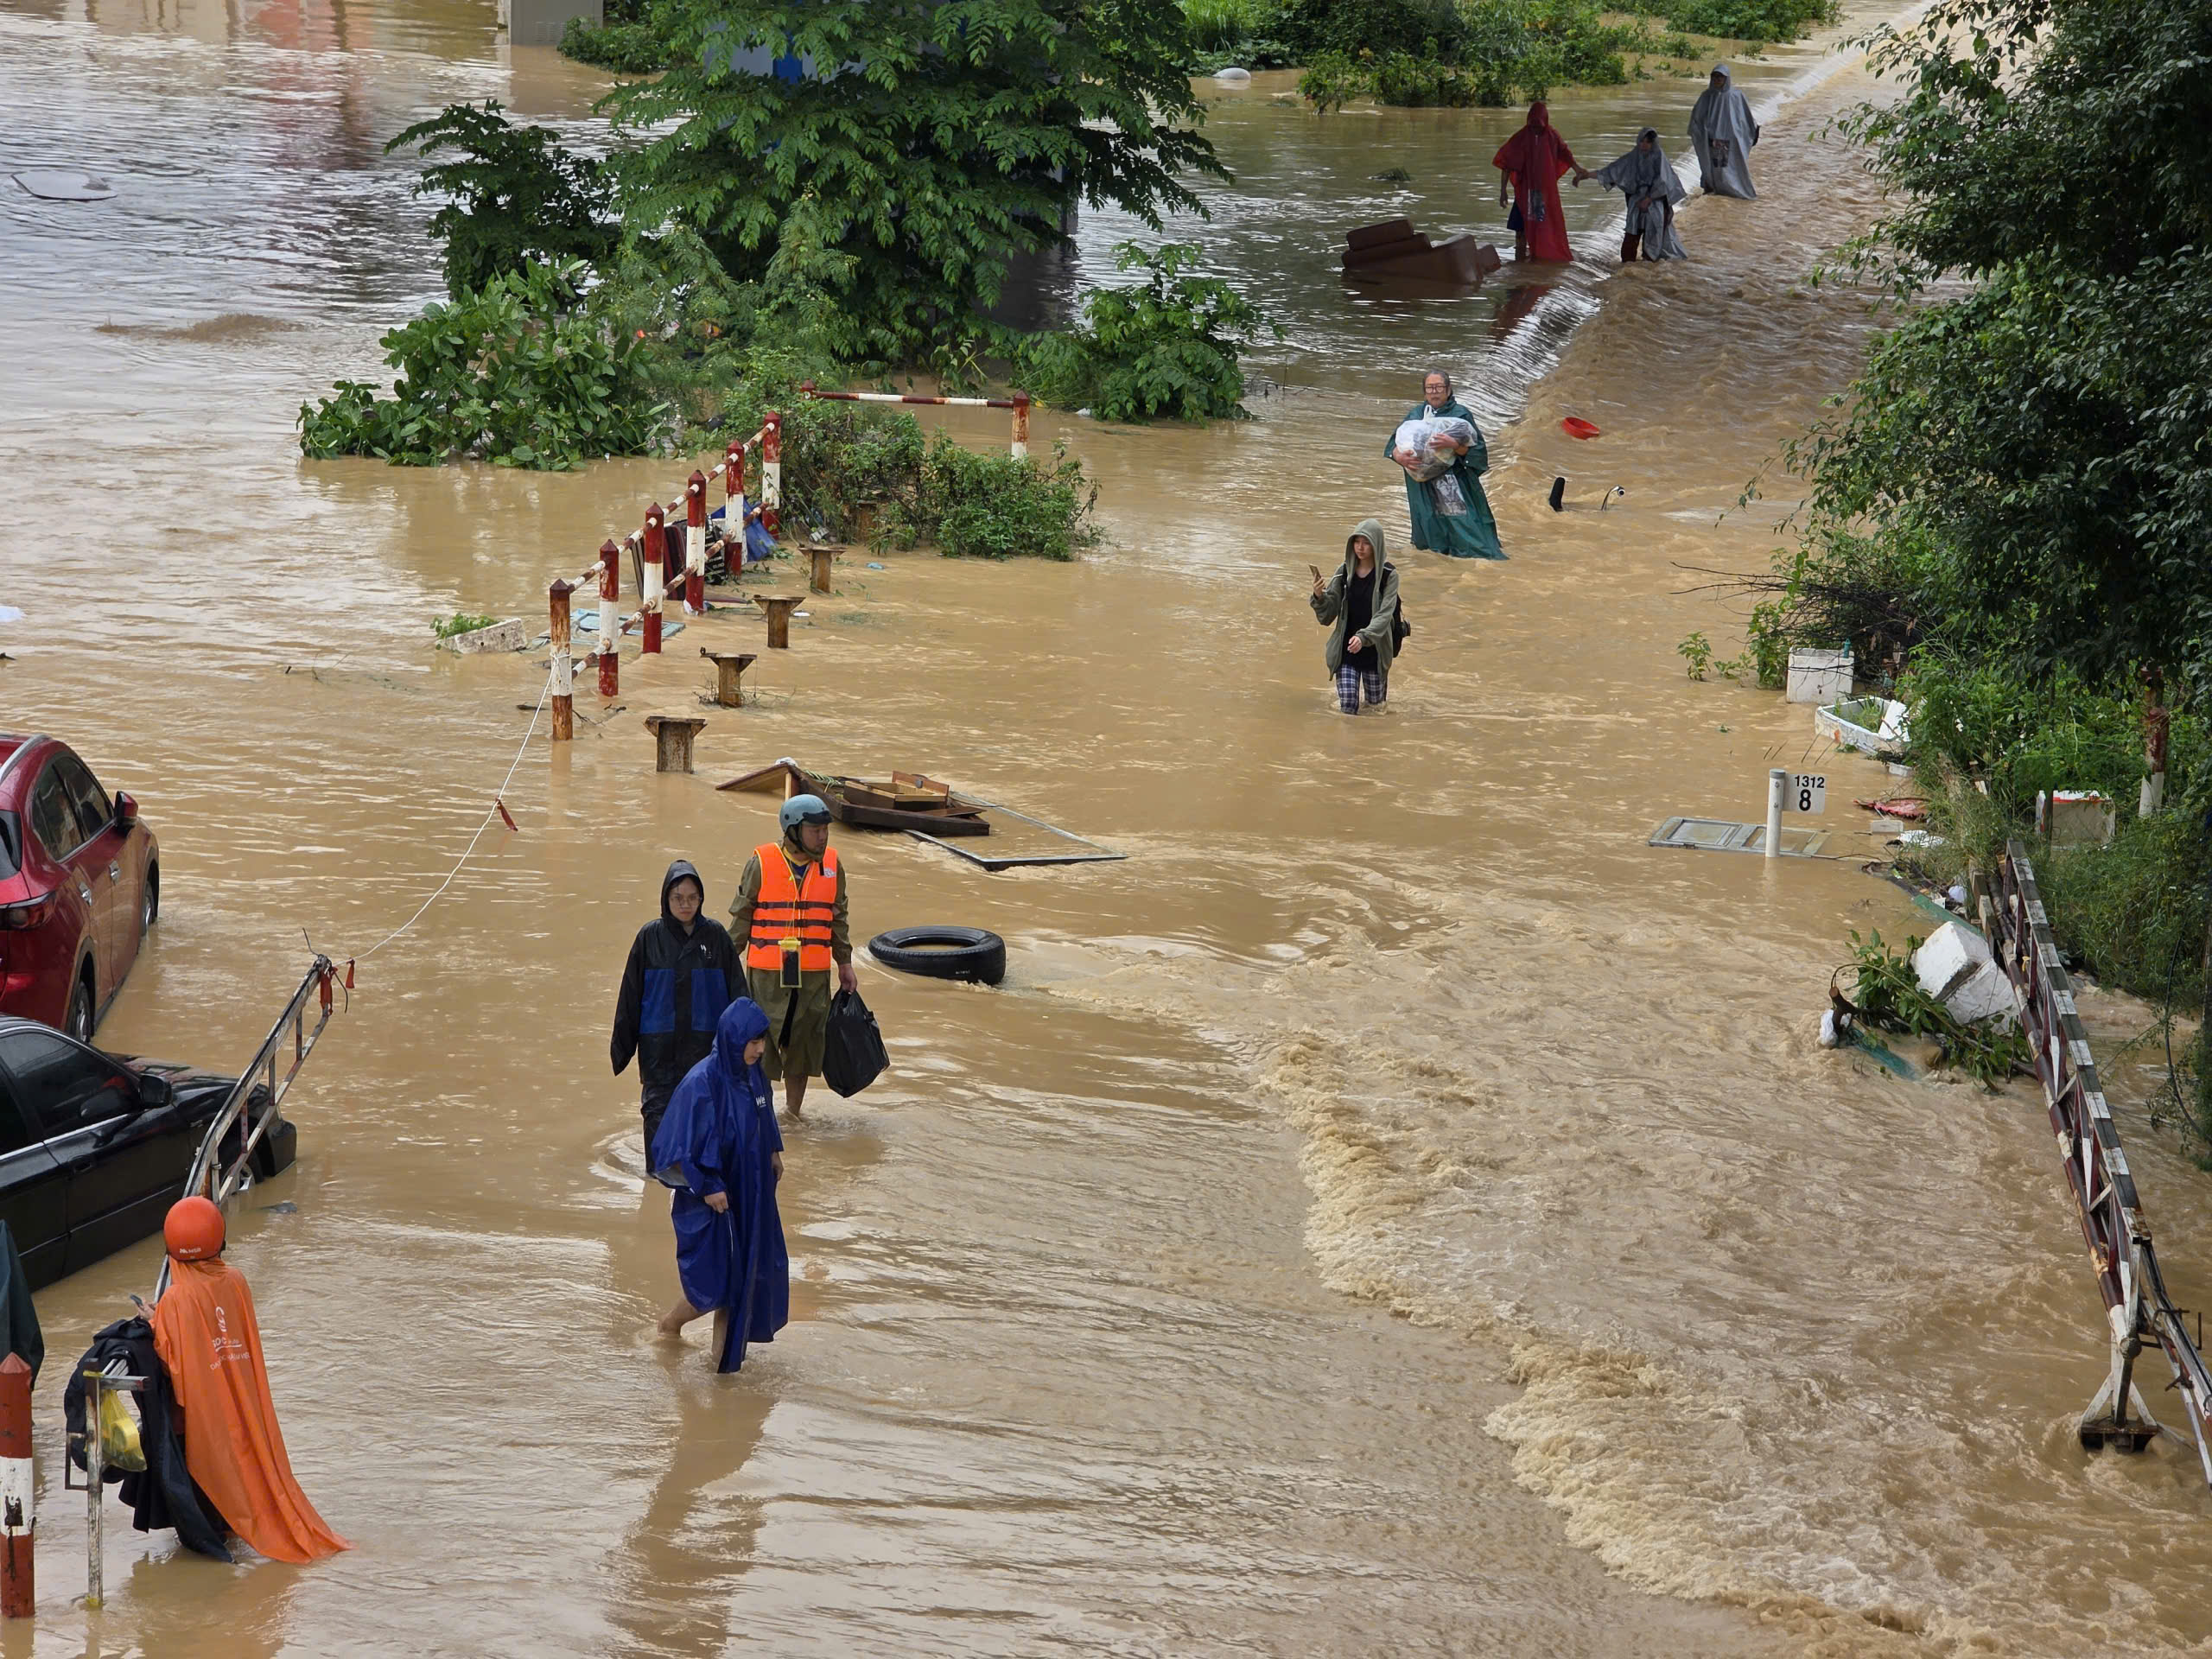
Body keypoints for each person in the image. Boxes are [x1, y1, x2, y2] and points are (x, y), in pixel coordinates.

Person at [149, 1198, 350, 1564]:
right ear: (219, 1240)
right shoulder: (236, 1281)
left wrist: (153, 1321)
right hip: (242, 1410)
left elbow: (170, 1363)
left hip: (202, 1425)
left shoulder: (175, 1299)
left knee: (206, 1535)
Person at [651, 999, 788, 1372]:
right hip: (712, 1199)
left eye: (762, 1041)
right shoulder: (701, 1083)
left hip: (751, 1191)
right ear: (733, 1039)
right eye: (752, 1041)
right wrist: (708, 1184)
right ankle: (669, 1325)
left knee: (742, 1279)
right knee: (715, 1283)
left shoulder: (753, 1072)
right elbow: (674, 1148)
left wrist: (774, 1150)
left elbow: (764, 1110)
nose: (759, 1049)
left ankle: (723, 1371)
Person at [728, 795, 856, 1119]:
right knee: (762, 1044)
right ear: (794, 830)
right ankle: (763, 1114)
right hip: (768, 973)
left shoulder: (831, 865)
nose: (823, 836)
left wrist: (844, 963)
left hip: (813, 974)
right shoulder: (761, 862)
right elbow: (742, 916)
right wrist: (726, 963)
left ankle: (793, 1114)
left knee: (804, 1044)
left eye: (826, 830)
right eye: (816, 830)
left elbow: (837, 917)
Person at [612, 860, 741, 1157]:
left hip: (705, 1050)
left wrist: (743, 1045)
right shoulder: (649, 938)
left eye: (692, 898)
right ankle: (655, 1192)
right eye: (678, 898)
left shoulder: (717, 937)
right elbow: (630, 996)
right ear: (666, 899)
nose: (685, 904)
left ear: (701, 898)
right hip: (659, 1050)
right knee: (658, 1125)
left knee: (704, 1127)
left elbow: (737, 996)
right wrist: (622, 1047)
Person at [1388, 371, 1504, 561]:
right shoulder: (1416, 414)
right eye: (1430, 388)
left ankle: (1480, 562)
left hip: (1453, 480)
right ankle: (1435, 566)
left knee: (1464, 525)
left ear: (1448, 390)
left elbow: (1478, 453)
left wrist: (1454, 446)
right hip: (1421, 484)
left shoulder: (1460, 414)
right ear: (1425, 392)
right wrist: (1399, 456)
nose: (1434, 392)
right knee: (1428, 526)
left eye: (1439, 387)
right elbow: (1394, 443)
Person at [1311, 518, 1402, 715]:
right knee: (1348, 707)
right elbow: (1328, 613)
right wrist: (1319, 596)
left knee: (1376, 709)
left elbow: (1385, 614)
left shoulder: (1389, 575)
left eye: (1366, 542)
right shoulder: (1343, 572)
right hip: (1346, 649)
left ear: (1376, 544)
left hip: (1375, 650)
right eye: (1356, 541)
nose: (1360, 548)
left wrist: (1364, 637)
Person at [1493, 101, 1588, 264]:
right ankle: (1520, 261)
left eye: (1539, 126)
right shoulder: (1521, 137)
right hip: (1523, 190)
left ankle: (1536, 260)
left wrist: (1578, 169)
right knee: (1519, 229)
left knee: (1538, 228)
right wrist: (1503, 191)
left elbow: (1565, 154)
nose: (1536, 129)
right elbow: (1507, 163)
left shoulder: (1552, 136)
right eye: (1533, 126)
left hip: (1538, 193)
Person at [1585, 128, 1688, 262]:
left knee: (1652, 242)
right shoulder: (1633, 157)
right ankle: (1627, 270)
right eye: (1642, 141)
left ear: (1653, 143)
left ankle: (1647, 270)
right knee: (1631, 237)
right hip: (1636, 202)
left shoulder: (1659, 158)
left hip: (1655, 204)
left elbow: (1663, 181)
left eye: (1648, 142)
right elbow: (1612, 171)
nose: (1644, 145)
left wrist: (1649, 198)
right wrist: (1586, 175)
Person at [1688, 65, 1759, 199]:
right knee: (1712, 167)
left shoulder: (1736, 96)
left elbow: (1746, 117)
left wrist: (1750, 133)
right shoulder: (1706, 96)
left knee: (1727, 169)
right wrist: (1699, 133)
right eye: (1714, 76)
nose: (1717, 79)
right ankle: (1715, 193)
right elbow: (1697, 117)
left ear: (1726, 78)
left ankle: (1730, 193)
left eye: (1720, 77)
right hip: (1710, 138)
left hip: (1730, 138)